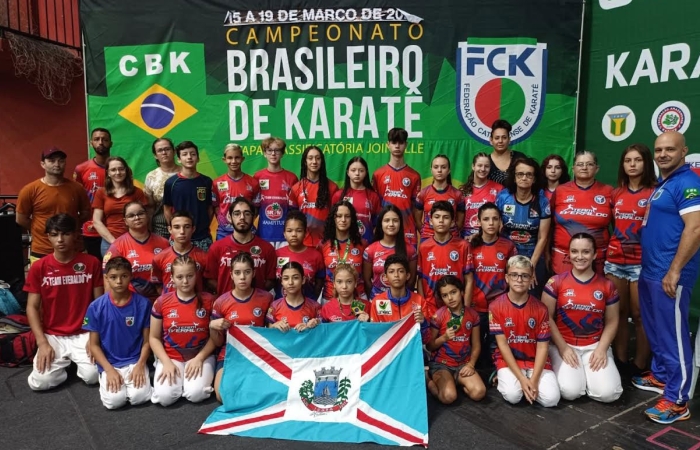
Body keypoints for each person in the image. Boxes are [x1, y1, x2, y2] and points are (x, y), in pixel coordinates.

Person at [633, 131, 700, 424]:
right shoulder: (666, 184)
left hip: (671, 275)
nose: (662, 154)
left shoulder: (688, 183)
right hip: (651, 272)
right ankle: (662, 376)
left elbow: (696, 228)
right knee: (657, 330)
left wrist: (674, 270)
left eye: (670, 149)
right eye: (659, 149)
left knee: (672, 335)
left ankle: (678, 400)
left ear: (683, 151)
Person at [24, 214, 104, 390]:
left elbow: (99, 304)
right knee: (40, 383)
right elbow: (32, 307)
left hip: (84, 331)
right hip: (52, 334)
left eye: (65, 234)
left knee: (93, 376)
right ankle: (65, 365)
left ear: (75, 235)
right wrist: (42, 342)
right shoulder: (39, 267)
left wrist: (94, 337)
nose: (60, 239)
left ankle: (74, 363)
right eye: (54, 234)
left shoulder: (91, 263)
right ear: (48, 237)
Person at [542, 233, 623, 403]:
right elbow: (546, 317)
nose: (579, 256)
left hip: (595, 345)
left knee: (609, 394)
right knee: (569, 392)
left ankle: (588, 376)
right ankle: (579, 377)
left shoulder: (607, 285)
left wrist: (602, 348)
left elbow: (612, 321)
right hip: (564, 344)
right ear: (568, 254)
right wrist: (563, 348)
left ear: (594, 255)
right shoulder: (556, 282)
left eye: (585, 252)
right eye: (574, 251)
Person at [606, 144, 655, 376]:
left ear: (646, 163)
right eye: (628, 161)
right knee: (619, 312)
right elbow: (613, 225)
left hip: (641, 262)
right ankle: (621, 361)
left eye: (637, 160)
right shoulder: (616, 193)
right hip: (615, 260)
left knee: (639, 315)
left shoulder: (655, 192)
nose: (632, 165)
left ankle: (640, 364)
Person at [489, 255, 559, 407]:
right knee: (513, 396)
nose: (519, 280)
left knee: (551, 399)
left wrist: (533, 380)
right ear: (507, 278)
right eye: (514, 275)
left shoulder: (541, 308)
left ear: (531, 278)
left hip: (535, 361)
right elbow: (502, 345)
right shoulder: (495, 306)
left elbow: (543, 347)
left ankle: (525, 383)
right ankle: (503, 376)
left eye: (525, 276)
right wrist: (521, 379)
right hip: (509, 361)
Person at [83, 257, 152, 409]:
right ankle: (106, 378)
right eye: (113, 277)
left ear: (131, 276)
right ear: (106, 278)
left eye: (124, 276)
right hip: (110, 363)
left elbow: (148, 341)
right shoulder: (96, 307)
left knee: (139, 397)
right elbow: (94, 345)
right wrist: (109, 370)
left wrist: (141, 364)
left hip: (135, 360)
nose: (119, 281)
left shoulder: (144, 304)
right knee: (115, 402)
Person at [150, 256, 216, 406]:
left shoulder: (209, 300)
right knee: (165, 398)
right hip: (171, 357)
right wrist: (166, 362)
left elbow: (215, 337)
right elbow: (154, 337)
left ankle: (189, 383)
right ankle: (177, 381)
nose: (185, 281)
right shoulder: (161, 302)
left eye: (190, 276)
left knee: (196, 394)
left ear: (196, 276)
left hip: (201, 355)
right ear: (172, 278)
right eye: (180, 277)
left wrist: (200, 358)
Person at [209, 252, 273, 402]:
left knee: (261, 394)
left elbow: (271, 332)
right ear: (231, 275)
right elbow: (218, 342)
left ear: (254, 273)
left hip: (257, 354)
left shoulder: (267, 298)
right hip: (229, 354)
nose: (242, 277)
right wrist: (212, 326)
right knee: (221, 396)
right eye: (237, 273)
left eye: (247, 272)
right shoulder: (220, 302)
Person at [16, 147, 91, 262]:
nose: (57, 164)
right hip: (42, 249)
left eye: (61, 161)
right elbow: (21, 219)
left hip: (74, 248)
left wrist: (71, 227)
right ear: (42, 164)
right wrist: (41, 229)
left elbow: (86, 213)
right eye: (51, 161)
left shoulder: (77, 188)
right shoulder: (29, 190)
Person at [469, 203, 517, 370]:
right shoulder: (470, 245)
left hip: (498, 308)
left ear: (500, 222)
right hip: (475, 306)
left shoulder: (508, 246)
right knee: (475, 347)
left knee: (495, 347)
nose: (491, 223)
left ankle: (495, 376)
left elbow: (513, 277)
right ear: (478, 222)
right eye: (486, 219)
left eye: (495, 219)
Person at [551, 150, 613, 275]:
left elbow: (617, 227)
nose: (584, 168)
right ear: (573, 168)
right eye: (580, 164)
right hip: (563, 259)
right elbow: (549, 225)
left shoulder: (609, 191)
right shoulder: (560, 191)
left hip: (597, 260)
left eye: (589, 164)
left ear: (597, 168)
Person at [495, 157, 551, 295]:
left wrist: (531, 267)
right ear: (514, 177)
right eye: (520, 174)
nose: (524, 178)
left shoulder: (542, 201)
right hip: (506, 255)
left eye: (529, 174)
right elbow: (495, 227)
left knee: (530, 297)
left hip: (533, 256)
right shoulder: (503, 197)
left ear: (534, 179)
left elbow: (543, 237)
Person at [427, 275, 485, 404]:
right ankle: (428, 379)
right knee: (449, 397)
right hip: (442, 364)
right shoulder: (438, 316)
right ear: (441, 298)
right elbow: (430, 346)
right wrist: (444, 337)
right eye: (445, 295)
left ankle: (456, 381)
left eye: (453, 292)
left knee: (479, 392)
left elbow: (476, 345)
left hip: (463, 364)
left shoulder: (473, 315)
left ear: (462, 292)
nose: (450, 298)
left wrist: (471, 364)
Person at [204, 197, 276, 295]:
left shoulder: (267, 248)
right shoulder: (216, 248)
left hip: (257, 303)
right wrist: (228, 295)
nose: (242, 217)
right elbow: (210, 280)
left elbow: (271, 281)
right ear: (229, 217)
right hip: (226, 303)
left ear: (254, 216)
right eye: (237, 213)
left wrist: (254, 296)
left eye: (247, 213)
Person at [103, 202, 169, 302]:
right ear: (125, 221)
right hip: (131, 302)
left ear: (147, 215)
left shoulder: (164, 243)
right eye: (131, 216)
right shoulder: (117, 246)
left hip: (160, 300)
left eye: (140, 213)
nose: (137, 218)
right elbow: (108, 279)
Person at [417, 201, 472, 318]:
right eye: (437, 217)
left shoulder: (463, 246)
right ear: (430, 221)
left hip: (457, 309)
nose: (441, 221)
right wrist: (423, 305)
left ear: (452, 222)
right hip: (431, 309)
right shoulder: (424, 247)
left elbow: (469, 280)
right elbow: (420, 279)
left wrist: (466, 310)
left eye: (446, 217)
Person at [372, 128, 422, 249]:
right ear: (388, 144)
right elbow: (374, 205)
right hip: (384, 230)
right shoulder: (378, 174)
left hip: (407, 231)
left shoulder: (414, 176)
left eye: (401, 142)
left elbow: (416, 209)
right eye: (394, 142)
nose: (397, 146)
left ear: (406, 145)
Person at [163, 141, 214, 251]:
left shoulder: (206, 181)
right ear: (179, 159)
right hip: (179, 238)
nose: (189, 157)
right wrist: (175, 229)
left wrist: (202, 227)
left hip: (202, 237)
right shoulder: (171, 183)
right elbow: (167, 209)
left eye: (193, 154)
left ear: (198, 158)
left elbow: (210, 209)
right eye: (185, 154)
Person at [92, 156, 148, 256]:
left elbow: (146, 217)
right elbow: (97, 221)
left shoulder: (137, 192)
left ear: (126, 170)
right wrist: (114, 242)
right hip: (109, 242)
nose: (118, 172)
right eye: (113, 170)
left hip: (135, 240)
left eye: (121, 169)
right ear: (108, 173)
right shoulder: (101, 192)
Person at [369, 255, 431, 342]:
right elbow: (374, 335)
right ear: (385, 277)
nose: (396, 275)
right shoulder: (377, 302)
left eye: (401, 271)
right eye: (391, 272)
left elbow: (426, 340)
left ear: (407, 276)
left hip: (411, 348)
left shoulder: (419, 300)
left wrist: (423, 323)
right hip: (389, 349)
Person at [363, 205, 417, 300]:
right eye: (387, 220)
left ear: (400, 223)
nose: (391, 224)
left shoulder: (410, 250)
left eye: (395, 220)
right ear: (381, 223)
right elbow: (367, 280)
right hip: (378, 301)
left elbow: (411, 279)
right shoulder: (370, 250)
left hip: (401, 301)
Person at [288, 146, 339, 247]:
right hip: (302, 243)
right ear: (305, 161)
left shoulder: (332, 187)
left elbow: (336, 218)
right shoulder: (296, 188)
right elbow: (292, 218)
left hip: (326, 244)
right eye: (310, 158)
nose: (314, 161)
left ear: (322, 161)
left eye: (318, 158)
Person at [73, 127, 112, 259]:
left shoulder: (119, 169)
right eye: (97, 139)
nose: (101, 142)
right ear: (91, 143)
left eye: (104, 139)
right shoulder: (81, 169)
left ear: (110, 143)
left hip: (115, 227)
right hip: (91, 229)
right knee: (93, 265)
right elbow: (77, 198)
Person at [254, 137, 299, 249]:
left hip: (285, 236)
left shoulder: (292, 178)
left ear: (282, 153)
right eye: (269, 150)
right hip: (264, 235)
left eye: (277, 150)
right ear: (264, 153)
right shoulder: (258, 177)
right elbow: (254, 208)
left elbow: (294, 210)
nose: (273, 154)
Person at [319, 200, 366, 302]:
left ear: (352, 219)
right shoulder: (323, 245)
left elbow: (367, 277)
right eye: (339, 216)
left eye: (347, 216)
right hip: (330, 298)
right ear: (333, 219)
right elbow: (320, 277)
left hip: (357, 299)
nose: (343, 220)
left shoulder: (362, 244)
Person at [212, 143, 261, 240]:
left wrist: (245, 223)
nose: (233, 161)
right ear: (224, 160)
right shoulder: (217, 183)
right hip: (224, 233)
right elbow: (215, 207)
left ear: (242, 159)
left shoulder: (253, 183)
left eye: (237, 157)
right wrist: (225, 223)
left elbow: (256, 209)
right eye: (230, 158)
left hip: (247, 232)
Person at [151, 211, 208, 295]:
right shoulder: (159, 258)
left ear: (193, 229)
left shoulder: (204, 257)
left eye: (187, 227)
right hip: (169, 302)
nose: (182, 231)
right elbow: (157, 284)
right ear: (170, 229)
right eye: (177, 227)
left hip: (196, 302)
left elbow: (208, 284)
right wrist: (166, 298)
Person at [275, 211, 325, 300]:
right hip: (281, 305)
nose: (294, 234)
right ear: (284, 234)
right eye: (289, 231)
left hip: (307, 306)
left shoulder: (316, 255)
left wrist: (312, 301)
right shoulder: (276, 254)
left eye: (299, 231)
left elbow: (320, 282)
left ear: (305, 233)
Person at [331, 156, 382, 243]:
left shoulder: (373, 196)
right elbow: (332, 221)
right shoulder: (338, 195)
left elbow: (377, 224)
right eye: (353, 170)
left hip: (367, 243)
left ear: (366, 172)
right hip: (344, 244)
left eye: (361, 170)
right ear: (348, 172)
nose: (357, 173)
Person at [415, 155, 465, 240]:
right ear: (431, 170)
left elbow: (460, 222)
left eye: (443, 167)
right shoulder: (423, 193)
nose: (439, 170)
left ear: (449, 170)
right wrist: (425, 233)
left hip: (451, 239)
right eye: (436, 167)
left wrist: (451, 232)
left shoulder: (457, 194)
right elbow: (417, 220)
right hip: (428, 238)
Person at [266, 262, 321, 332]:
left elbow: (322, 331)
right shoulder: (274, 306)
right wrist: (274, 325)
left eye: (295, 278)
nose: (290, 282)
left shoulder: (315, 307)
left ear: (303, 280)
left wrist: (313, 326)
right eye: (286, 278)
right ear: (281, 281)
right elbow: (268, 329)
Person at [460, 152, 503, 239]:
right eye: (479, 165)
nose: (483, 169)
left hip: (489, 237)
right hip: (467, 238)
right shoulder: (463, 191)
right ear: (473, 166)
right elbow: (459, 221)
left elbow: (501, 220)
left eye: (486, 166)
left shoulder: (499, 189)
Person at [144, 137, 180, 239]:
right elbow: (150, 207)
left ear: (174, 151)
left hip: (185, 225)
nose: (164, 153)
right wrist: (149, 230)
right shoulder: (151, 176)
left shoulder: (185, 173)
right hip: (160, 226)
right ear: (155, 155)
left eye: (167, 149)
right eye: (160, 150)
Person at [487, 119, 528, 185]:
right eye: (497, 138)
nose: (500, 141)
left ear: (509, 140)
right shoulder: (485, 162)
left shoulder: (520, 158)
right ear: (491, 140)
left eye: (504, 137)